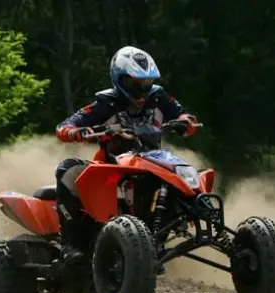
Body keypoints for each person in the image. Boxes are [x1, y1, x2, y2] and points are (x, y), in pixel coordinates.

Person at [54, 46, 199, 264]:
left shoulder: (158, 97)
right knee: (67, 170)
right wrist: (79, 131)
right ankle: (69, 244)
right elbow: (65, 127)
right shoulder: (105, 103)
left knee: (188, 178)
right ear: (119, 80)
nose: (142, 90)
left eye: (146, 83)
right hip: (112, 166)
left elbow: (186, 116)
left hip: (153, 162)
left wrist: (186, 122)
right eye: (135, 84)